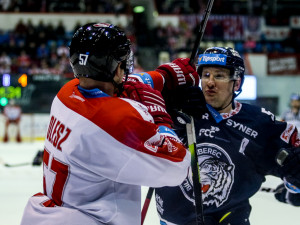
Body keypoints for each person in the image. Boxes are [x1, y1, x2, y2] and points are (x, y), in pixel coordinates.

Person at [20, 23, 192, 225]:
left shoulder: (67, 93)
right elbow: (176, 168)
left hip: (55, 214)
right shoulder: (115, 121)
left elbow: (124, 85)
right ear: (117, 68)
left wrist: (164, 76)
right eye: (122, 62)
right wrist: (161, 119)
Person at [129, 47, 300, 225]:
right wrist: (167, 92)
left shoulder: (259, 123)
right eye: (206, 75)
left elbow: (293, 164)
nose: (210, 82)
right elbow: (124, 88)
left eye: (219, 76)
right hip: (175, 220)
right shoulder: (178, 107)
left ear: (237, 83)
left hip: (229, 218)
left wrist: (295, 182)